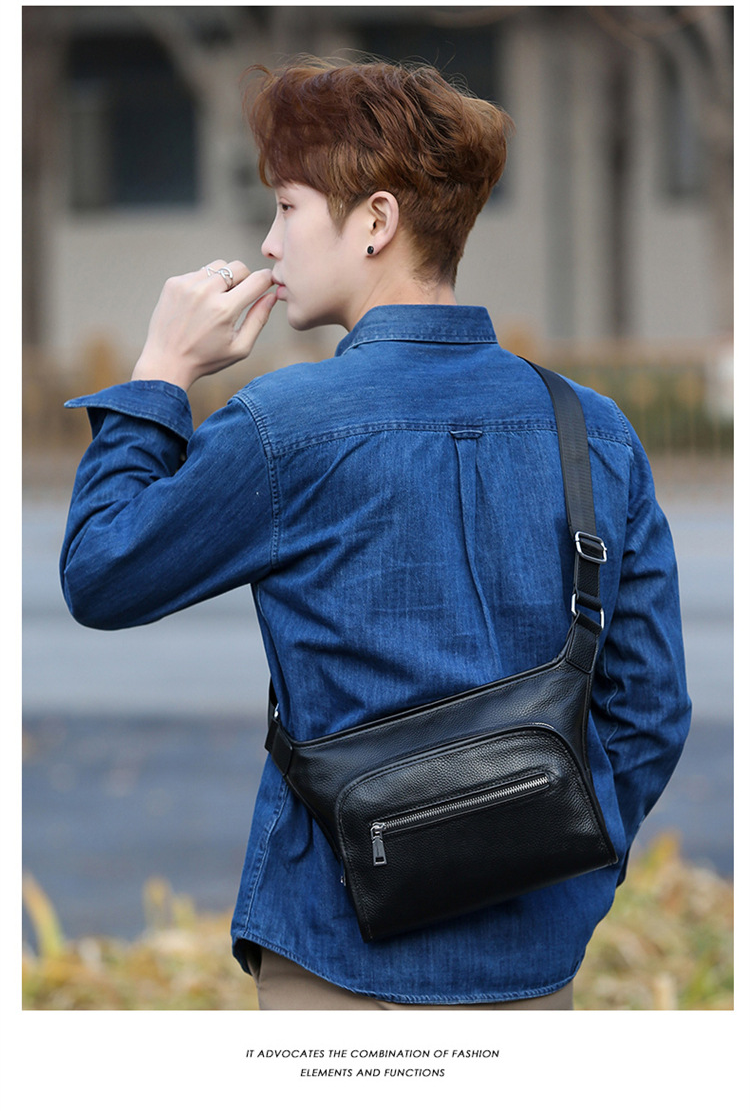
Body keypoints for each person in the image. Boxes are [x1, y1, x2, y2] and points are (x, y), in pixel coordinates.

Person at [60, 57, 691, 1010]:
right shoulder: (593, 428)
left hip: (335, 954)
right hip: (534, 970)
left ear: (376, 221)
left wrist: (161, 370)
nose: (269, 241)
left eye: (287, 207)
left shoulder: (283, 428)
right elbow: (650, 708)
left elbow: (103, 573)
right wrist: (556, 870)